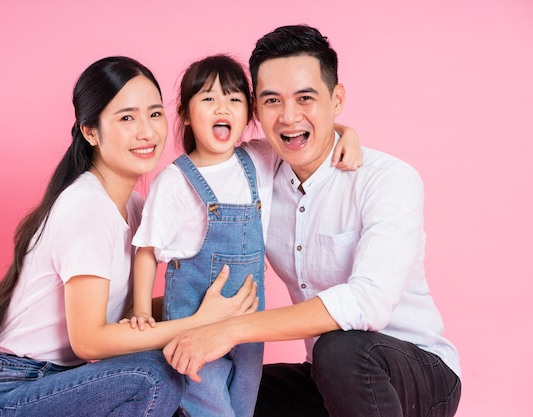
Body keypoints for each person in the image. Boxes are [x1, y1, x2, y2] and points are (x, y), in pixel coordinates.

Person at [163, 25, 462, 417]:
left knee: (340, 347)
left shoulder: (388, 179)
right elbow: (207, 152)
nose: (288, 117)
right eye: (272, 101)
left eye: (306, 97)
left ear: (337, 98)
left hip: (417, 375)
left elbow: (367, 303)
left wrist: (229, 330)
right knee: (197, 387)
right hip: (326, 377)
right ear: (256, 109)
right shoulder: (254, 174)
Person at [0, 56, 261, 417]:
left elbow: (126, 318)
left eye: (153, 114)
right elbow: (89, 340)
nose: (147, 132)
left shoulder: (133, 206)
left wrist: (215, 307)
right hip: (11, 395)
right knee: (155, 375)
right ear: (91, 132)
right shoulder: (87, 207)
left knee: (179, 365)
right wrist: (198, 322)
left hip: (67, 385)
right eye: (126, 118)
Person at [127, 54, 362, 417]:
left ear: (249, 113)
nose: (223, 107)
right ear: (186, 113)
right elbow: (146, 249)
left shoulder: (257, 159)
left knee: (243, 409)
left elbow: (306, 136)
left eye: (234, 99)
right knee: (210, 410)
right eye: (208, 99)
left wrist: (348, 134)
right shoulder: (174, 181)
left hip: (249, 331)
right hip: (194, 324)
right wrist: (142, 311)